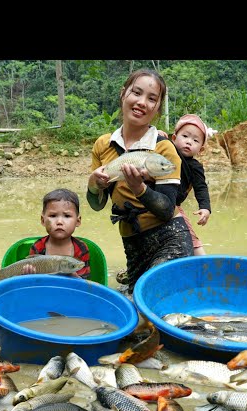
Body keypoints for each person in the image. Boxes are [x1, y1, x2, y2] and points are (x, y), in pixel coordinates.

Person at [86, 69, 194, 293]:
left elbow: (166, 211)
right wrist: (93, 184)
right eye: (137, 93)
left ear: (157, 108)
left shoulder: (164, 149)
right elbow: (97, 205)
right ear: (123, 94)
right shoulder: (103, 145)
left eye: (152, 99)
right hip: (133, 246)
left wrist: (140, 188)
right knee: (139, 314)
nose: (142, 102)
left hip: (170, 240)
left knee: (151, 302)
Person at [21, 188, 90, 279]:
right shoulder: (38, 246)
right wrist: (29, 274)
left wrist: (74, 277)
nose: (59, 221)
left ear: (78, 221)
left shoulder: (81, 248)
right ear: (43, 220)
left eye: (67, 216)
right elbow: (35, 282)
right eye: (53, 216)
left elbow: (84, 283)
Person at [171, 114, 212, 256]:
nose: (189, 142)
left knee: (190, 238)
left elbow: (201, 187)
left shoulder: (195, 167)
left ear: (201, 149)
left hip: (173, 206)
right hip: (153, 199)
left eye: (195, 140)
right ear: (174, 138)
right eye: (185, 136)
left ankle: (204, 264)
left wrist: (205, 208)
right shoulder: (167, 151)